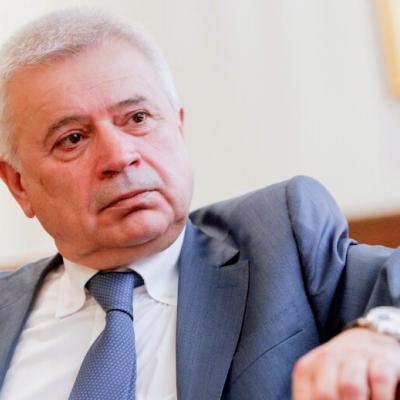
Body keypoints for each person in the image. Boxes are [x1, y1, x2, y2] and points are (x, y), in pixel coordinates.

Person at [0, 9, 400, 400]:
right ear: (18, 184)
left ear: (179, 127)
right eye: (72, 139)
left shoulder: (281, 242)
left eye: (137, 118)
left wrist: (383, 332)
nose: (119, 156)